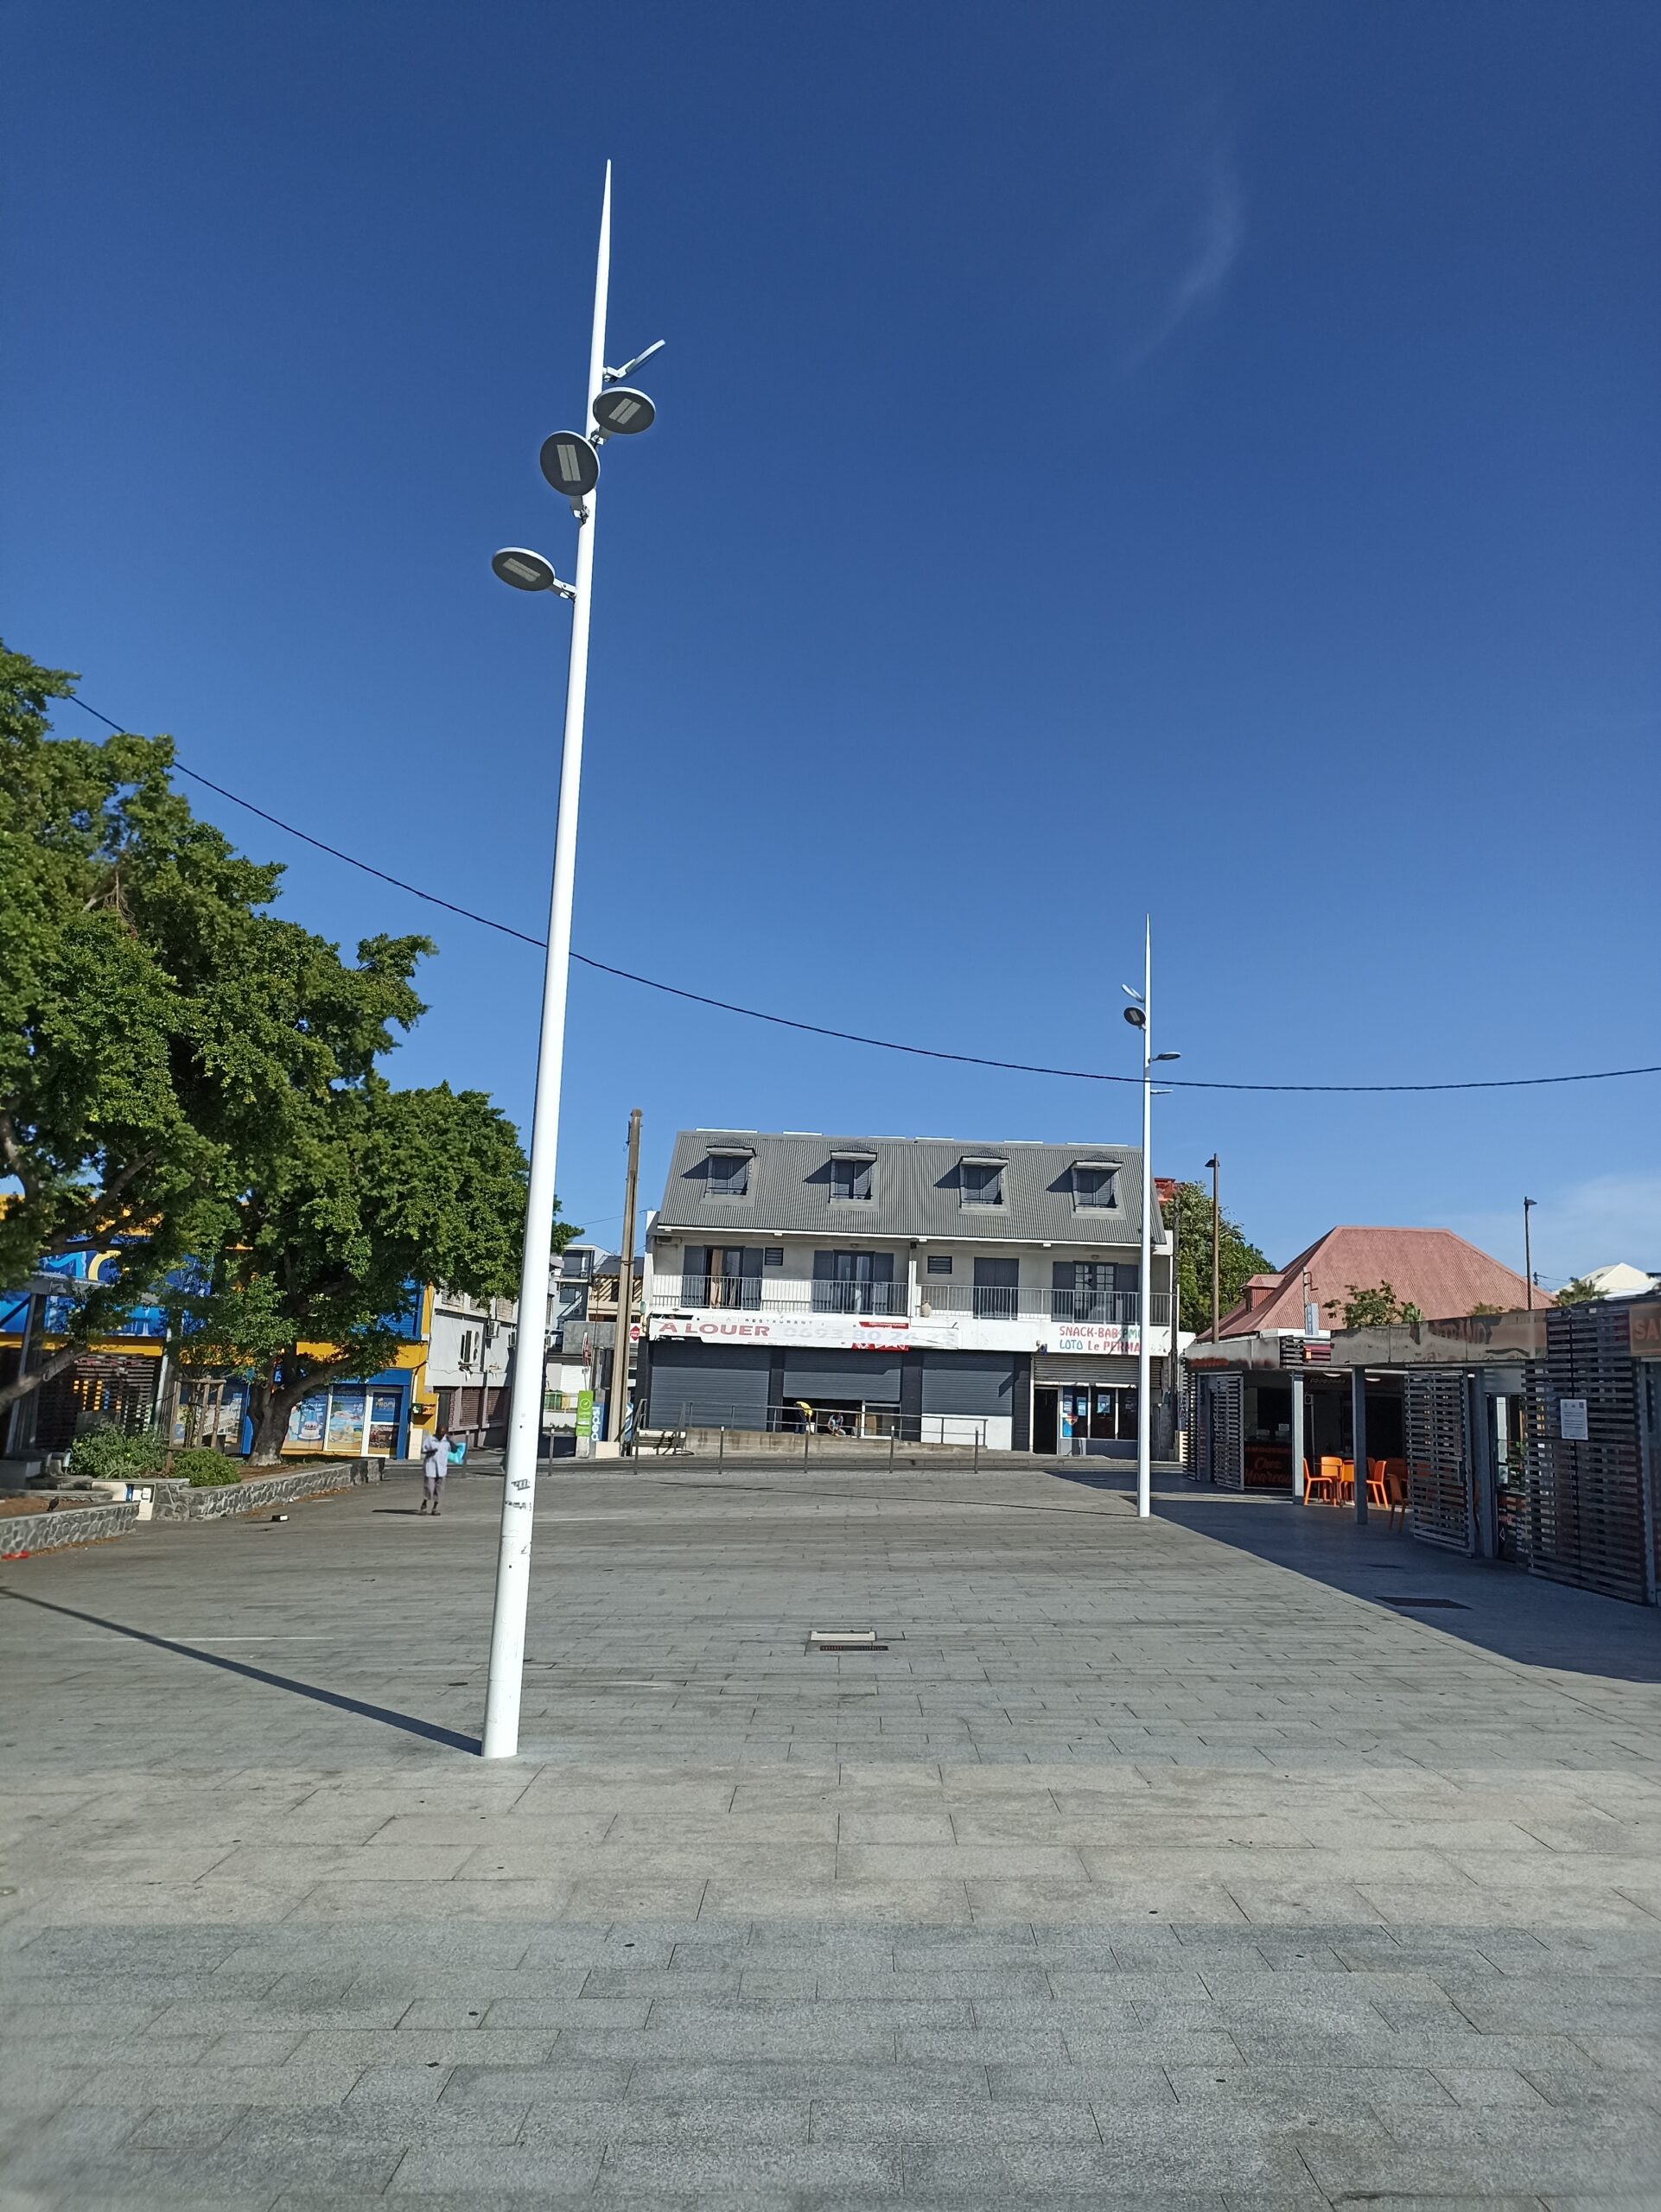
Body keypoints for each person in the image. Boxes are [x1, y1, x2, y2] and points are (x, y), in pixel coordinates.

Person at [420, 1425, 449, 1516]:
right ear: (436, 1432)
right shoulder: (429, 1439)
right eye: (440, 1434)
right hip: (430, 1467)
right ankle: (424, 1503)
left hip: (442, 1468)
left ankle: (435, 1508)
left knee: (439, 1489)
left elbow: (454, 1450)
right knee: (429, 1487)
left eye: (443, 1434)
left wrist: (451, 1442)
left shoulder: (446, 1441)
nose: (441, 1436)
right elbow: (422, 1450)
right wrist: (431, 1451)